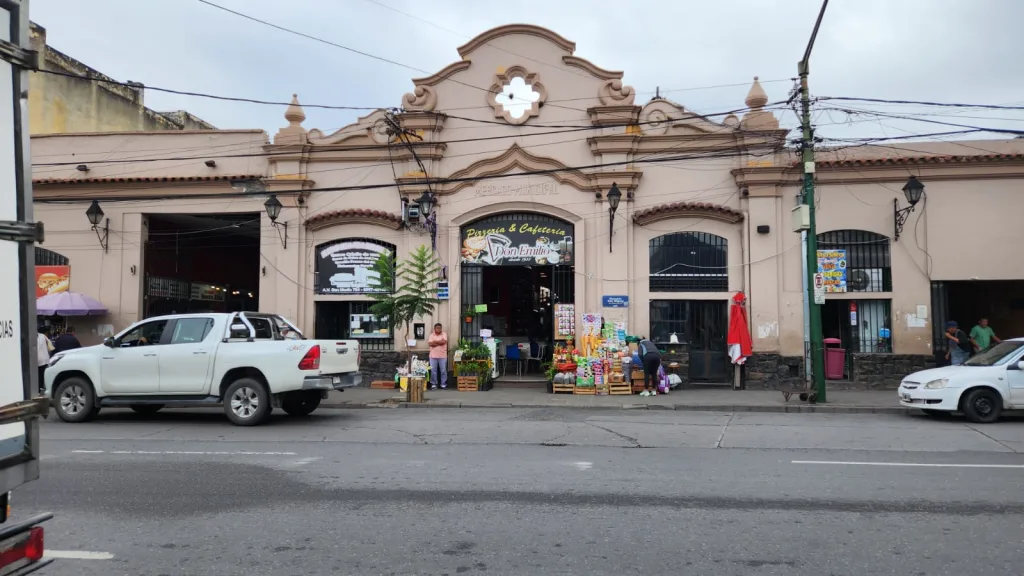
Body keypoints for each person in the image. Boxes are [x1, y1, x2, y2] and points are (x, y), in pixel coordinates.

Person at [427, 323, 448, 390]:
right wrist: (439, 342)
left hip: (442, 356)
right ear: (435, 329)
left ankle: (443, 384)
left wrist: (435, 342)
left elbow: (444, 342)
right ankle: (434, 384)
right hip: (433, 356)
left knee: (443, 370)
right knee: (433, 371)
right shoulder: (431, 335)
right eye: (437, 328)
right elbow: (430, 344)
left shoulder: (444, 334)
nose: (439, 329)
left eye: (440, 328)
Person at [36, 326, 52, 395]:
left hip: (38, 359)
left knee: (38, 375)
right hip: (45, 359)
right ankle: (40, 389)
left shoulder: (36, 336)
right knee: (41, 375)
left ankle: (38, 390)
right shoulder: (43, 336)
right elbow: (50, 344)